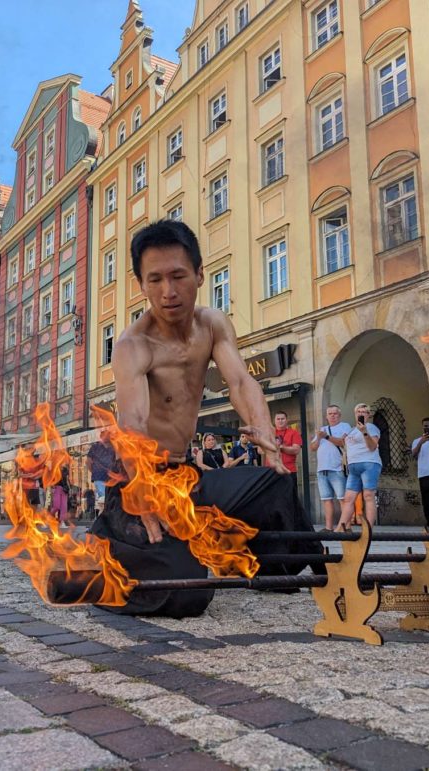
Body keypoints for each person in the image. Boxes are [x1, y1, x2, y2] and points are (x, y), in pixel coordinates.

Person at [96, 219, 314, 618]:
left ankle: (265, 568)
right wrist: (143, 492)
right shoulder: (132, 345)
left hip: (188, 478)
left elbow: (241, 381)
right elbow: (134, 423)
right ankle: (107, 546)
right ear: (141, 285)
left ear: (199, 273)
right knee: (186, 593)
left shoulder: (212, 324)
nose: (169, 291)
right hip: (140, 482)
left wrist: (263, 430)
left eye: (179, 276)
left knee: (274, 484)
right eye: (155, 279)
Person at [336, 403, 383, 530]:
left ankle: (368, 529)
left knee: (368, 495)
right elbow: (344, 446)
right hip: (354, 466)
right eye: (359, 412)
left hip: (369, 463)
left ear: (368, 415)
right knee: (348, 498)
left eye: (364, 412)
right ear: (355, 414)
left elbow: (373, 446)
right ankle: (341, 527)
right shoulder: (351, 430)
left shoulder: (371, 427)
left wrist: (364, 432)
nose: (361, 414)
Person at [309, 405, 352, 531]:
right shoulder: (322, 429)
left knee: (342, 499)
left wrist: (326, 437)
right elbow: (312, 447)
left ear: (339, 415)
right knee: (326, 499)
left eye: (335, 413)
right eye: (330, 414)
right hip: (322, 469)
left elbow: (343, 442)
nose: (332, 416)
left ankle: (346, 527)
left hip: (337, 468)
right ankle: (328, 527)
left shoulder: (345, 426)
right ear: (326, 416)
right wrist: (319, 438)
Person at [86, 430, 115, 510]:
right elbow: (88, 461)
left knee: (109, 500)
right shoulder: (95, 447)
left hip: (112, 478)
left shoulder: (114, 447)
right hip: (99, 477)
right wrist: (94, 471)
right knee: (103, 499)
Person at [273, 412, 303, 482]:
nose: (280, 421)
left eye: (282, 419)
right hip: (271, 470)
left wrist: (280, 448)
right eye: (278, 419)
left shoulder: (294, 432)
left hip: (289, 470)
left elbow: (296, 450)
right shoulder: (270, 432)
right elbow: (260, 450)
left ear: (287, 420)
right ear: (274, 421)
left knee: (290, 493)